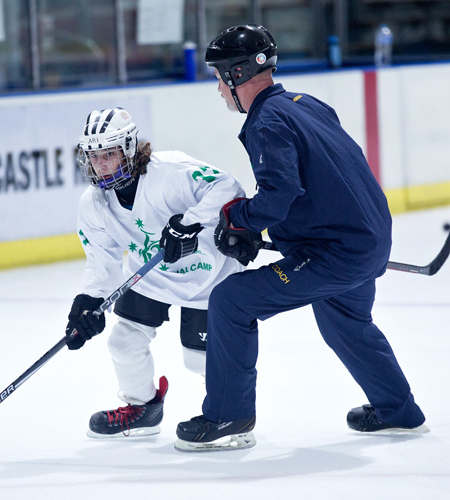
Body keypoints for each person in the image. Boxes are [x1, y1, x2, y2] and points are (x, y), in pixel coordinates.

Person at [174, 25, 427, 452]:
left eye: (219, 76)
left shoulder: (267, 121)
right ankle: (398, 410)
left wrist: (238, 218)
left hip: (336, 252)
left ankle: (227, 416)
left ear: (237, 75)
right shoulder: (305, 104)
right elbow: (321, 183)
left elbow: (279, 195)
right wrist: (273, 230)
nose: (217, 87)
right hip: (366, 240)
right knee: (345, 322)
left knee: (231, 301)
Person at [66, 107, 245, 438]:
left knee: (197, 360)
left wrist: (190, 223)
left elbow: (227, 187)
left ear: (130, 149)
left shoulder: (171, 172)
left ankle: (232, 413)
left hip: (208, 276)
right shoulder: (92, 204)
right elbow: (101, 260)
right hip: (149, 277)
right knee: (123, 342)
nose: (101, 164)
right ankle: (142, 409)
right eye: (94, 156)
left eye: (109, 154)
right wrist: (87, 301)